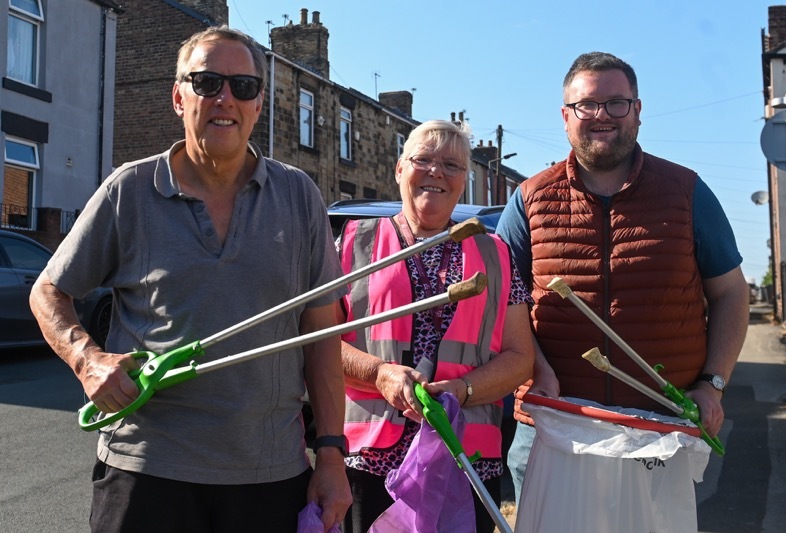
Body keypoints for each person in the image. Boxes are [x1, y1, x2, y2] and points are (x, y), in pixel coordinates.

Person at [29, 26, 351, 531]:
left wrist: (331, 452)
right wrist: (86, 359)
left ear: (259, 103)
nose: (225, 98)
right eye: (206, 83)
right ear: (179, 97)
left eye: (242, 86)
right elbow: (49, 290)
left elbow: (321, 338)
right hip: (146, 472)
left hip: (269, 476)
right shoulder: (128, 190)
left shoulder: (298, 196)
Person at [496, 51, 751, 506]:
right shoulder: (528, 199)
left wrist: (713, 384)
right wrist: (534, 367)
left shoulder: (687, 191)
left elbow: (731, 292)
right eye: (587, 105)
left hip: (659, 430)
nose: (601, 116)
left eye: (617, 103)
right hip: (555, 428)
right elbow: (501, 304)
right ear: (565, 116)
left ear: (637, 110)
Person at [336, 119, 539, 533]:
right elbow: (320, 344)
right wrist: (380, 373)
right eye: (423, 160)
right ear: (399, 169)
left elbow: (521, 358)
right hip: (373, 460)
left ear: (465, 179)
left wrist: (463, 390)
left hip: (465, 459)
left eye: (451, 164)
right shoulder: (352, 243)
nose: (436, 172)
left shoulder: (497, 253)